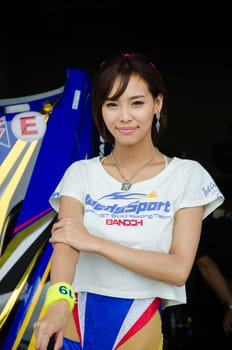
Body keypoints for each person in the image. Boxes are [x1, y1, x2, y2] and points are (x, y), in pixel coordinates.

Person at [33, 52, 224, 350]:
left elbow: (177, 269)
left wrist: (96, 243)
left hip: (137, 322)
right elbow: (67, 244)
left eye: (136, 102)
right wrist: (58, 300)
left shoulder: (187, 176)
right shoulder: (81, 173)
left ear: (157, 104)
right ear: (100, 109)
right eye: (112, 104)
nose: (124, 116)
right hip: (72, 318)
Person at [194, 180, 232, 349]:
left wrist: (230, 304)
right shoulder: (203, 223)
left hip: (215, 300)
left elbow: (205, 264)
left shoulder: (200, 224)